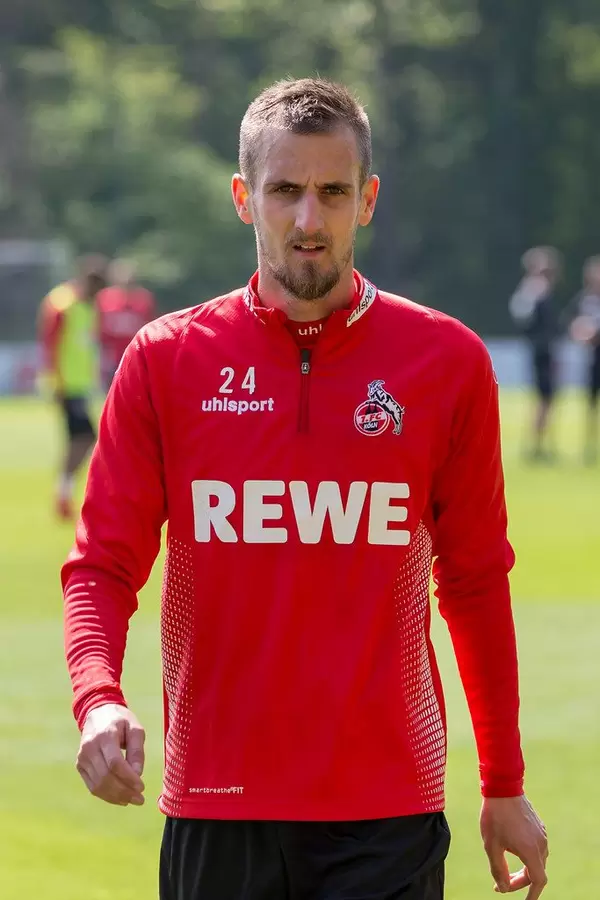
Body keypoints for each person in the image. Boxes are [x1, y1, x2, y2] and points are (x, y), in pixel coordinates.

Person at [62, 79, 548, 900]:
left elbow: (473, 582)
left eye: (333, 192)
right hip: (217, 802)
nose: (308, 221)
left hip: (388, 809)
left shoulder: (448, 363)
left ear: (368, 200)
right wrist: (98, 699)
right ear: (243, 197)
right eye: (284, 190)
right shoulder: (166, 361)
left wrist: (502, 778)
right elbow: (102, 565)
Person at [38, 254, 107, 519]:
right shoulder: (63, 303)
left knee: (80, 438)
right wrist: (53, 381)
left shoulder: (88, 306)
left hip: (80, 384)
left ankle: (64, 493)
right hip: (65, 384)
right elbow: (50, 343)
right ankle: (63, 493)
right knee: (84, 437)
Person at [509, 246, 562, 461]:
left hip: (540, 348)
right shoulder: (535, 289)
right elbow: (525, 317)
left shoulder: (533, 289)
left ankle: (539, 444)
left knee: (545, 399)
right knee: (544, 398)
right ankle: (537, 446)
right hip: (541, 349)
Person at [97, 258, 156, 389]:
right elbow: (98, 327)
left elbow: (150, 327)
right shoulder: (105, 298)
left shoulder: (143, 299)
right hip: (112, 356)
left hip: (136, 354)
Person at [563, 255, 600, 464]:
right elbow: (570, 322)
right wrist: (580, 333)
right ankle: (590, 445)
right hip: (593, 357)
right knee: (591, 404)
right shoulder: (584, 299)